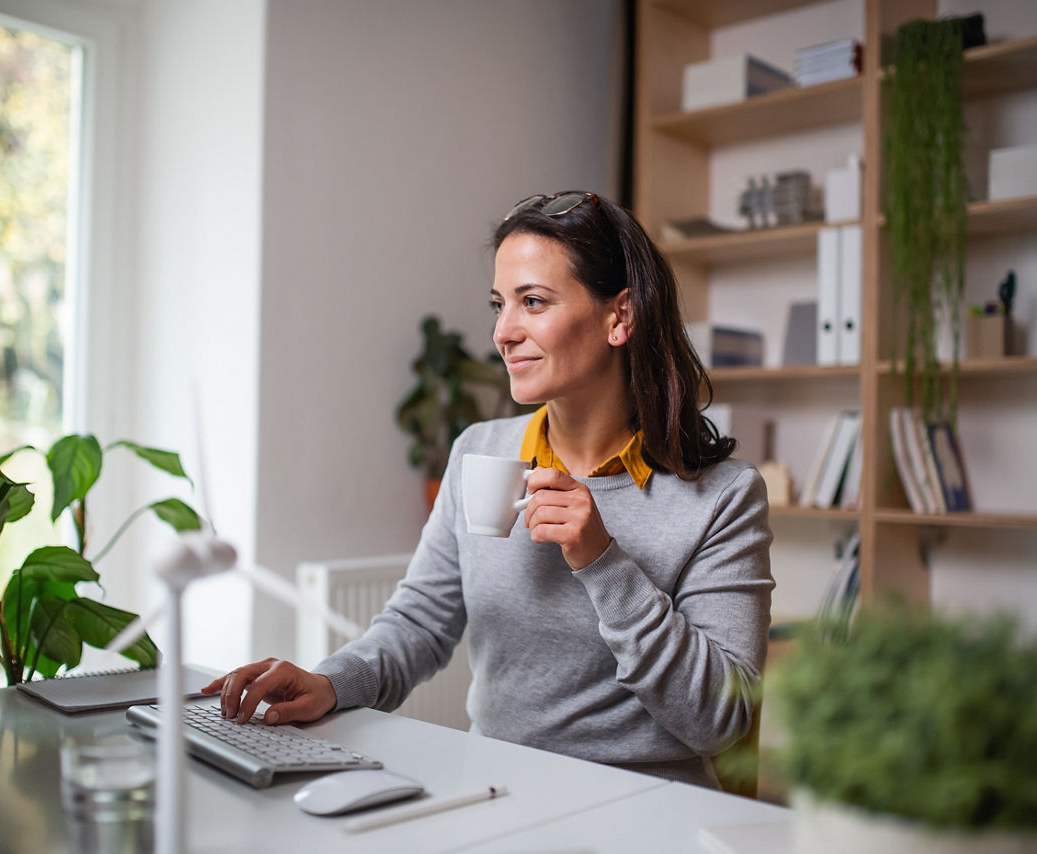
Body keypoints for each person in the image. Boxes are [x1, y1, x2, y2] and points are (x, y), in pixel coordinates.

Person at [205, 190, 774, 787]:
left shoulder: (724, 497)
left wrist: (604, 563)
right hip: (495, 786)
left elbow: (722, 719)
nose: (503, 332)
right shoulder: (480, 451)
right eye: (500, 304)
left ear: (619, 317)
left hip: (643, 803)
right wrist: (329, 683)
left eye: (533, 302)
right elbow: (420, 625)